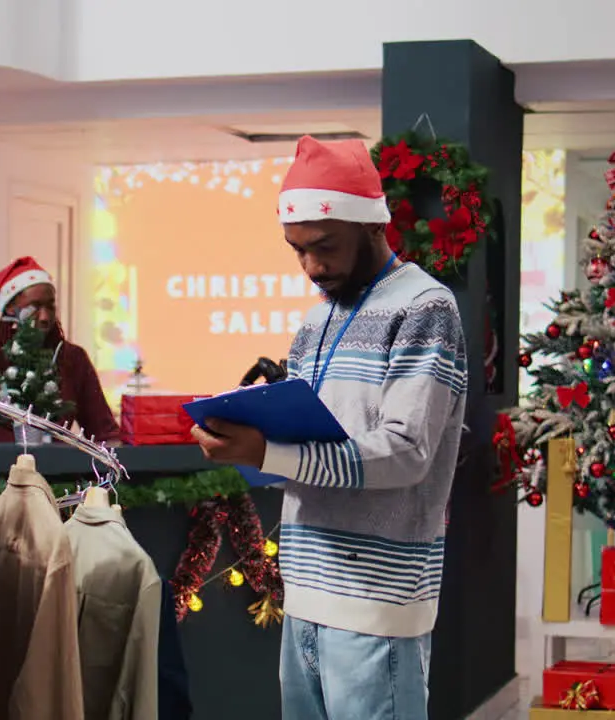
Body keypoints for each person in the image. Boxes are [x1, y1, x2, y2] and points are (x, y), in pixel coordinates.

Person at [190, 136, 468, 719]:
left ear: (372, 226)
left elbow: (406, 452)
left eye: (325, 247)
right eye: (297, 251)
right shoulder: (316, 320)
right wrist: (248, 438)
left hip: (379, 602)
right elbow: (314, 443)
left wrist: (269, 451)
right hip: (306, 594)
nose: (312, 267)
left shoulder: (425, 307)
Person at [0, 257, 120, 443]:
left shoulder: (72, 359)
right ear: (11, 309)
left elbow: (105, 434)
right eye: (35, 307)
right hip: (1, 471)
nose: (45, 317)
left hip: (59, 469)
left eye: (50, 306)